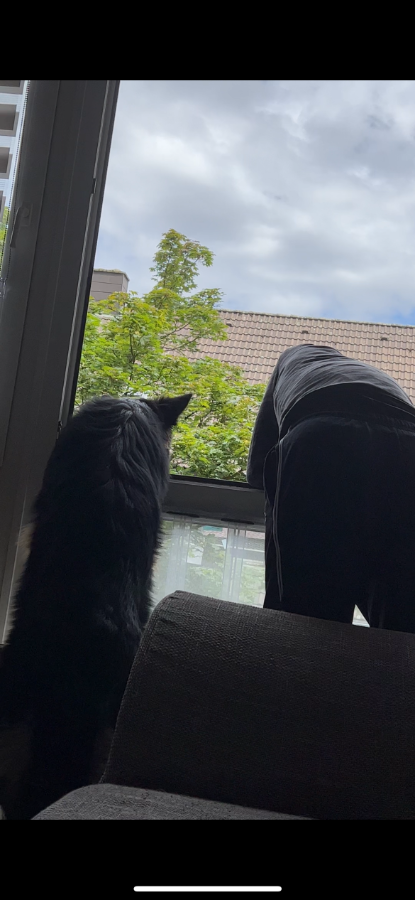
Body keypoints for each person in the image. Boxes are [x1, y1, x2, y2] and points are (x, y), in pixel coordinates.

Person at [247, 343, 415, 632]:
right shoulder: (372, 374)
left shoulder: (290, 360)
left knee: (307, 624)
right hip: (409, 444)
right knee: (402, 619)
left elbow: (258, 467)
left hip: (323, 435)